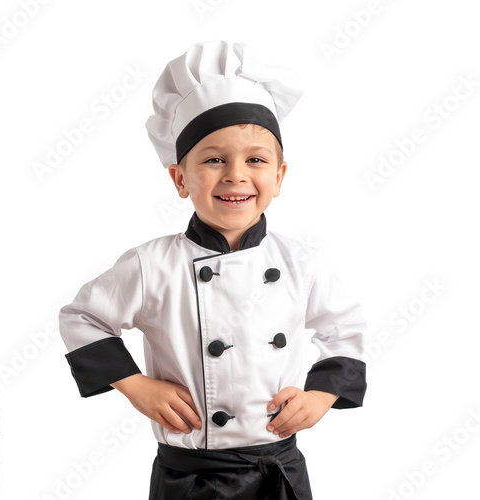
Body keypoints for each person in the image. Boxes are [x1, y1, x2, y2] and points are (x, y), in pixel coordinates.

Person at [59, 39, 368, 499]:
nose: (236, 175)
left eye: (256, 160)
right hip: (190, 477)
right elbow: (82, 318)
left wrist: (321, 394)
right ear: (180, 178)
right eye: (214, 159)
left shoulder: (300, 263)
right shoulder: (151, 265)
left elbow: (344, 328)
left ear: (280, 177)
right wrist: (135, 385)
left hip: (278, 471)